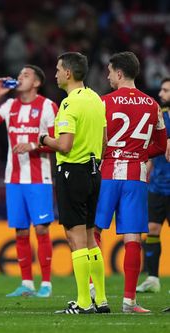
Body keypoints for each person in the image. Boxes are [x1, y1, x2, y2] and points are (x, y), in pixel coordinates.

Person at [94, 52, 167, 313]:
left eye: (110, 71)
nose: (108, 76)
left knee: (94, 232)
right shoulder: (152, 105)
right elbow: (160, 144)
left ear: (120, 73)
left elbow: (96, 140)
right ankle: (129, 301)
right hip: (136, 175)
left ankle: (93, 294)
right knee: (133, 237)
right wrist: (138, 154)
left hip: (108, 173)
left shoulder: (103, 102)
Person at [0, 65, 57, 298]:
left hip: (39, 178)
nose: (20, 77)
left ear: (36, 83)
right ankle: (26, 283)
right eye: (19, 74)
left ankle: (46, 285)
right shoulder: (10, 106)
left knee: (41, 228)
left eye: (26, 75)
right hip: (13, 178)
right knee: (21, 232)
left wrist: (34, 145)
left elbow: (58, 143)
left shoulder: (47, 106)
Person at [39, 52, 108, 314]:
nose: (55, 74)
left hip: (73, 172)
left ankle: (82, 302)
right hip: (93, 172)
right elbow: (103, 141)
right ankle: (100, 300)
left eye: (58, 69)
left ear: (68, 73)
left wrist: (44, 139)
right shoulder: (96, 99)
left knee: (76, 237)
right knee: (90, 238)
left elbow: (65, 146)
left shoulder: (69, 104)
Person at [136, 78, 170, 294]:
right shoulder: (160, 115)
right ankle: (153, 278)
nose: (161, 92)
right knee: (152, 230)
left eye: (166, 90)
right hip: (158, 186)